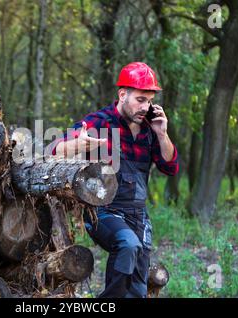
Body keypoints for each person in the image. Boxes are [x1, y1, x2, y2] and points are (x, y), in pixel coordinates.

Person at [47, 62, 179, 298]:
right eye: (140, 99)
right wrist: (78, 145)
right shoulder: (99, 122)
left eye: (149, 100)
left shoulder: (150, 128)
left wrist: (162, 134)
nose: (145, 106)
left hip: (138, 215)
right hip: (103, 212)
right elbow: (52, 150)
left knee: (137, 290)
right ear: (122, 94)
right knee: (128, 244)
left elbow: (170, 166)